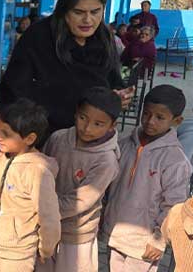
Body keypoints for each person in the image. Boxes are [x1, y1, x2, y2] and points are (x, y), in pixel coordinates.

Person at [0, 0, 131, 134]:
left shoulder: (104, 37)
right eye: (78, 12)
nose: (88, 20)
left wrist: (119, 96)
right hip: (43, 134)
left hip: (89, 136)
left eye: (95, 12)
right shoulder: (39, 36)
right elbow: (13, 91)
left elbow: (113, 81)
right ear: (64, 11)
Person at [101, 85, 192, 272]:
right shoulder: (124, 144)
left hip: (143, 243)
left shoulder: (175, 160)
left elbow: (174, 206)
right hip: (114, 232)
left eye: (160, 117)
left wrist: (159, 240)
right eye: (147, 114)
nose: (150, 121)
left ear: (177, 120)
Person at [0, 98, 60, 272]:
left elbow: (49, 218)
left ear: (30, 138)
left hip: (17, 254)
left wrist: (45, 249)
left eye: (6, 133)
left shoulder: (38, 172)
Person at [38, 87, 121, 272]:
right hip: (45, 226)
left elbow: (81, 200)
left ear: (112, 125)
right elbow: (40, 171)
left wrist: (44, 210)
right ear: (76, 113)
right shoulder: (58, 138)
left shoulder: (106, 160)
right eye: (83, 118)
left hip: (76, 234)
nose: (87, 128)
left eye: (98, 124)